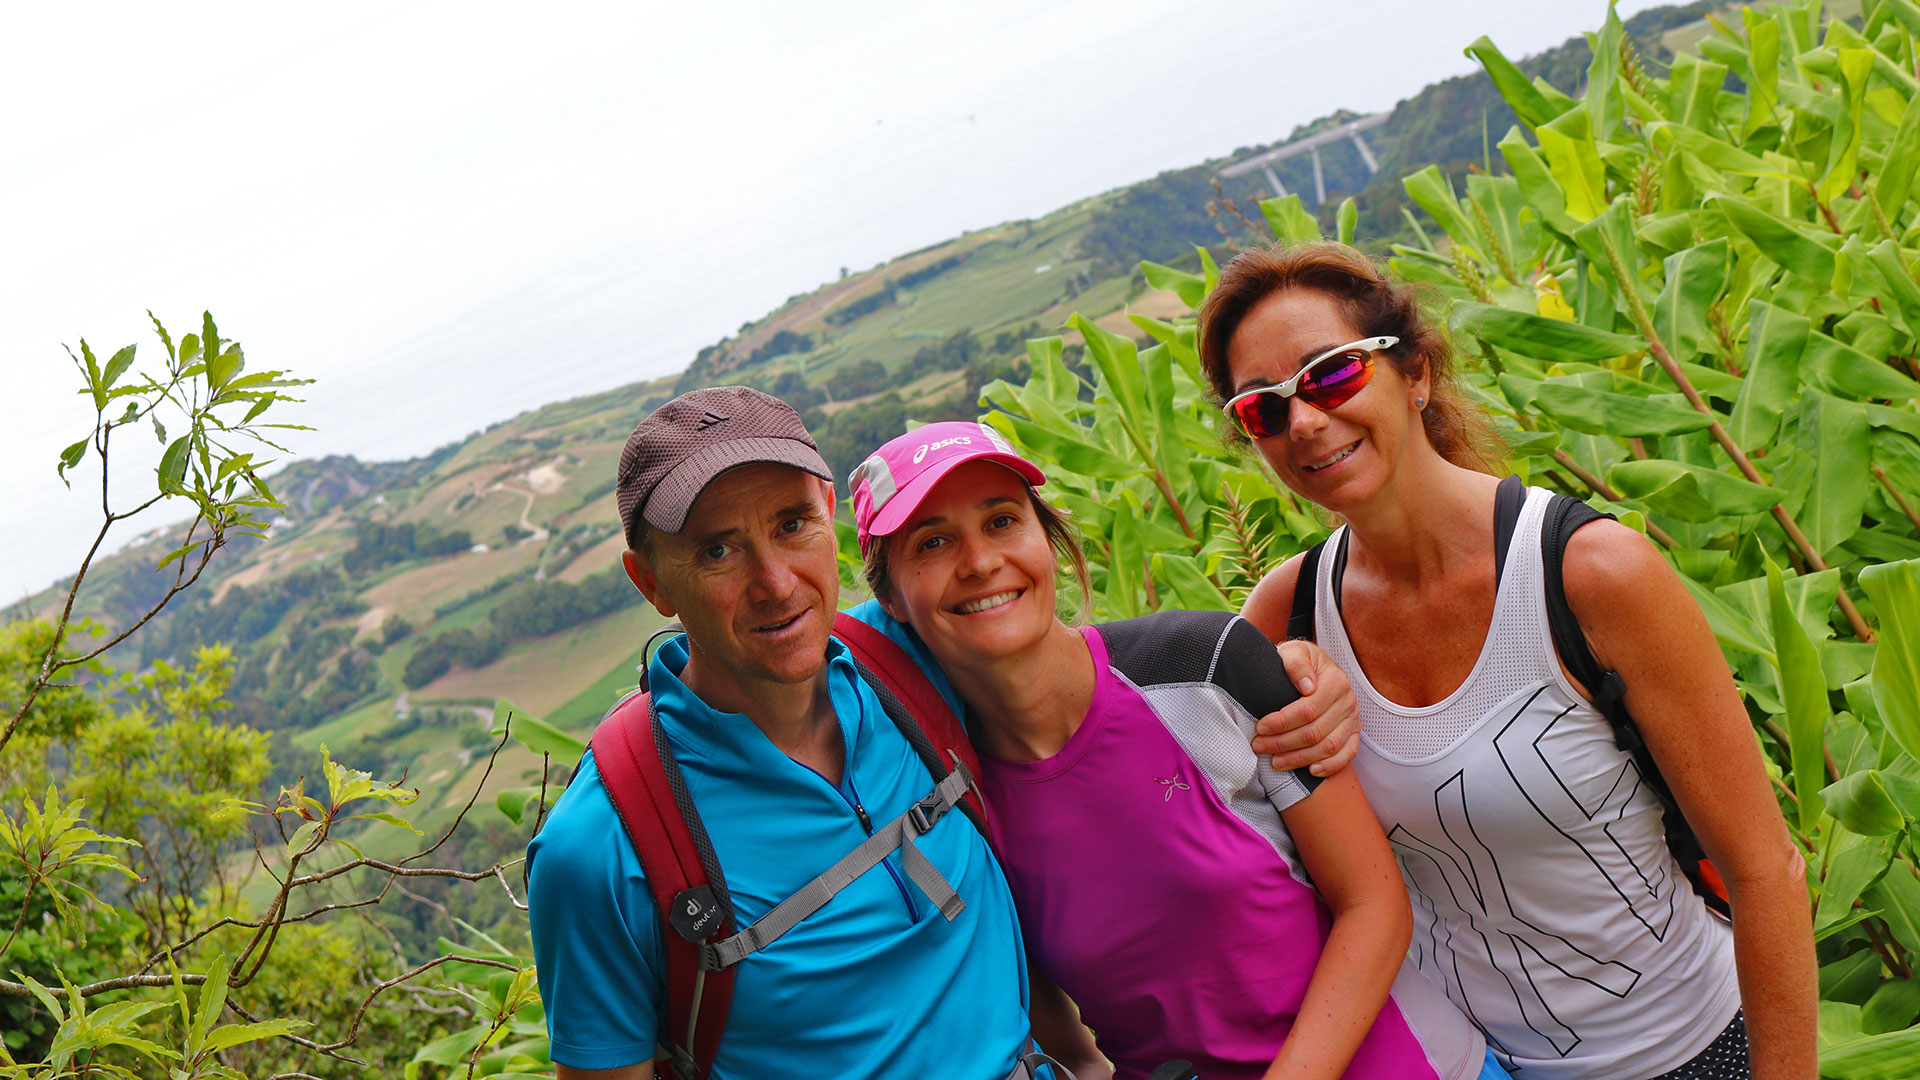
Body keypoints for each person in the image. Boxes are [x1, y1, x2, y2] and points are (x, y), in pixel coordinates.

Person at [525, 387, 1360, 1079]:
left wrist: (1284, 661)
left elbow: (1060, 648)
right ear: (650, 580)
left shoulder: (901, 659)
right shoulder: (607, 848)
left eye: (789, 526)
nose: (776, 584)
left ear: (828, 520)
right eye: (717, 552)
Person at [1196, 241, 1816, 1080]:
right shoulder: (1284, 615)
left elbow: (1764, 867)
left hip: (1691, 1051)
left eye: (1331, 374)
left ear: (1414, 372)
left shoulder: (1589, 575)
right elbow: (1267, 871)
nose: (1303, 420)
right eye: (1261, 410)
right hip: (1470, 1066)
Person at [851, 420, 1506, 1080]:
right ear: (890, 599)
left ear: (1046, 542)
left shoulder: (1204, 665)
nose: (980, 562)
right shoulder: (957, 798)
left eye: (1001, 521)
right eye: (932, 542)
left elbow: (1373, 903)